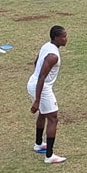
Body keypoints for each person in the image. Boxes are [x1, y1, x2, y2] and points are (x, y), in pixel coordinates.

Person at [28, 26, 68, 164]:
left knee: (44, 114)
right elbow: (42, 77)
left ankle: (39, 144)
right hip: (42, 87)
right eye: (63, 36)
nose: (66, 38)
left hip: (33, 83)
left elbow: (35, 63)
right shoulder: (53, 56)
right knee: (53, 119)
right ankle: (49, 156)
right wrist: (37, 100)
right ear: (56, 38)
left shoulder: (46, 46)